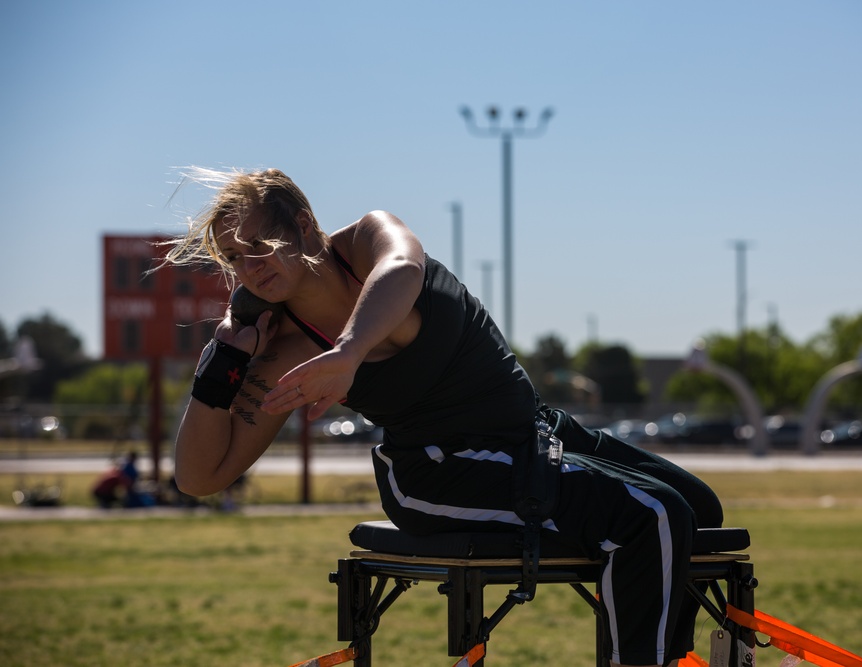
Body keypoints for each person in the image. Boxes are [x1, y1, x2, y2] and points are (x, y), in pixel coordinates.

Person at [167, 167, 723, 667]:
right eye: (234, 259)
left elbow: (403, 268)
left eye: (258, 245)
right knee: (650, 517)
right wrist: (223, 365)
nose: (249, 268)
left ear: (305, 224)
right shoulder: (286, 349)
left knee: (698, 510)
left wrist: (349, 352)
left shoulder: (367, 240)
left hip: (531, 434)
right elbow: (200, 478)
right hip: (438, 468)